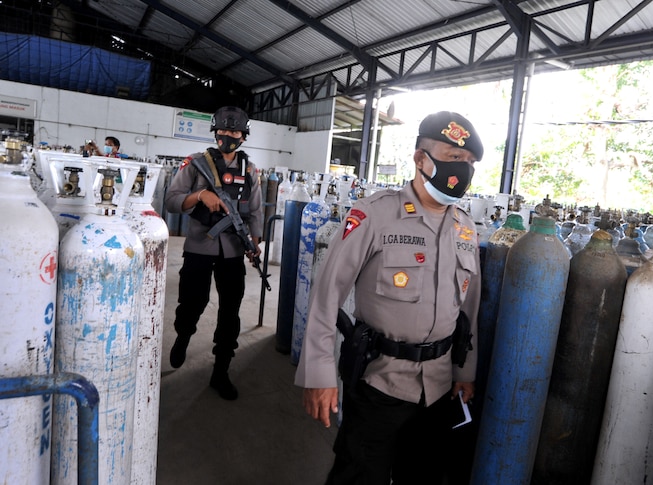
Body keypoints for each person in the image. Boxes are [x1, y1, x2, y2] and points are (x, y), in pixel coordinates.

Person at [296, 111, 483, 484]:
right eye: (453, 156)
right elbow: (326, 295)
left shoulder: (465, 227)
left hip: (439, 388)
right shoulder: (374, 215)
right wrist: (318, 374)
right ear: (420, 159)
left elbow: (469, 310)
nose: (462, 169)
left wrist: (465, 371)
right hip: (379, 384)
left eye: (469, 163)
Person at [164, 106, 263, 401]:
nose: (228, 137)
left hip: (233, 250)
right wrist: (199, 195)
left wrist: (254, 244)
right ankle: (183, 335)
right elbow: (170, 201)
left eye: (234, 132)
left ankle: (221, 371)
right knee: (193, 301)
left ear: (243, 137)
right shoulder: (195, 164)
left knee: (230, 311)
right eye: (223, 131)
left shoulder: (251, 170)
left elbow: (255, 212)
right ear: (215, 133)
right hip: (199, 247)